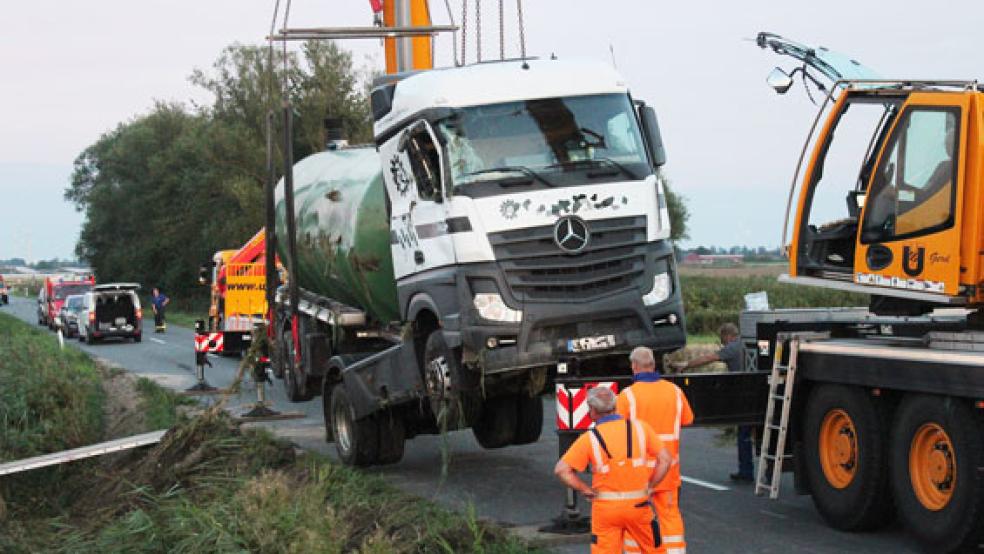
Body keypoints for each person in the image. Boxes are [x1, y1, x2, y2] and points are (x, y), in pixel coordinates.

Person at [555, 386, 672, 554]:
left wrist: (585, 489)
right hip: (639, 506)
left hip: (606, 509)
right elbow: (665, 460)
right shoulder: (640, 428)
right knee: (654, 550)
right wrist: (651, 485)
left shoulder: (590, 438)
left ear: (592, 410)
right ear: (615, 406)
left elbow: (562, 470)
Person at [617, 346, 693, 554]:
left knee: (637, 515)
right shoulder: (675, 391)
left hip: (638, 472)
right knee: (669, 515)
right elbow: (688, 419)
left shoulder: (627, 396)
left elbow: (616, 431)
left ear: (634, 367)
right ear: (653, 364)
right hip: (667, 469)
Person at [671, 323, 753, 483]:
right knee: (749, 433)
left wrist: (685, 365)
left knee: (744, 433)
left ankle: (746, 470)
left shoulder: (732, 348)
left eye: (722, 339)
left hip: (745, 395)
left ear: (728, 335)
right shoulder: (746, 343)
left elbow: (709, 358)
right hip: (754, 391)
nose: (722, 343)